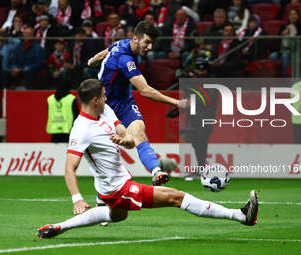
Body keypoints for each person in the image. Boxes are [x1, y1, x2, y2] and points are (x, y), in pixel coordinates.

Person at [36, 78, 259, 239]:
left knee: (117, 216)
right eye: (104, 96)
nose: (107, 98)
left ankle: (59, 227)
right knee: (177, 197)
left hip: (114, 184)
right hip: (117, 188)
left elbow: (130, 139)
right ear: (95, 99)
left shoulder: (105, 112)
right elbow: (69, 169)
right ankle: (240, 216)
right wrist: (76, 198)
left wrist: (125, 141)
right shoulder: (81, 129)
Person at [87, 21, 189, 186]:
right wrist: (176, 102)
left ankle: (157, 172)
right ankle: (102, 196)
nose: (150, 47)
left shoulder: (121, 43)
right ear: (135, 38)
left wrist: (91, 62)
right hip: (104, 106)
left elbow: (100, 56)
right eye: (147, 42)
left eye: (152, 44)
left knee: (139, 134)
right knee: (108, 152)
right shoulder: (125, 59)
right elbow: (145, 91)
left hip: (124, 101)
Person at [269, 8, 301, 77]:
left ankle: (285, 77)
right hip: (282, 50)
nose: (293, 16)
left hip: (295, 51)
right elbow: (277, 41)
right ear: (289, 16)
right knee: (272, 55)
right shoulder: (283, 27)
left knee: (285, 56)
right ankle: (275, 77)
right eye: (291, 14)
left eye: (295, 14)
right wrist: (282, 34)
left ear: (298, 16)